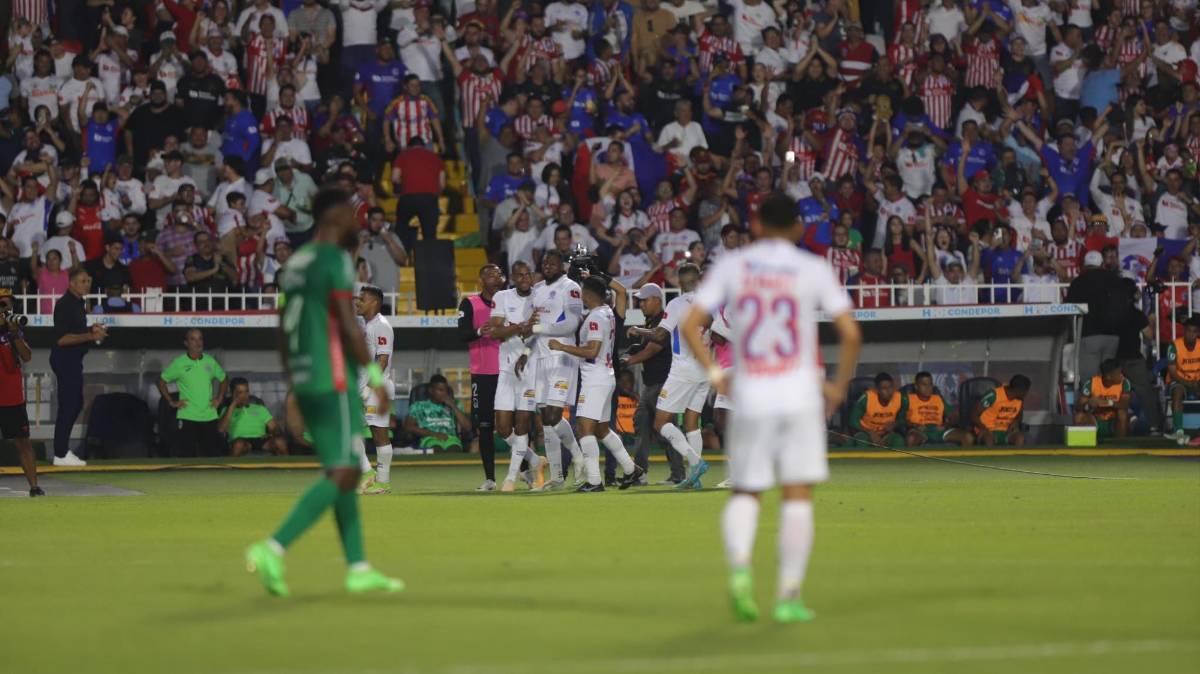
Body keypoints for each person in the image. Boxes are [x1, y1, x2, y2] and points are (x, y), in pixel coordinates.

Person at [677, 191, 861, 623]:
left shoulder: (732, 266)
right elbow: (850, 333)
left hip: (754, 388)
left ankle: (741, 569)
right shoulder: (811, 267)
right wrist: (837, 387)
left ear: (755, 226)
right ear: (798, 228)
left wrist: (717, 374)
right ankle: (789, 595)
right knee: (797, 496)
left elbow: (690, 324)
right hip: (797, 389)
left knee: (747, 492)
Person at [246, 186, 404, 598]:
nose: (357, 221)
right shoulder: (333, 260)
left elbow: (284, 327)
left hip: (305, 375)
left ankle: (358, 567)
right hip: (331, 375)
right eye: (352, 214)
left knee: (345, 469)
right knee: (344, 472)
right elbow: (348, 325)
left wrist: (293, 386)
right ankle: (272, 547)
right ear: (332, 217)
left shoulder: (296, 263)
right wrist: (373, 374)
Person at [547, 276, 644, 492]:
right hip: (606, 376)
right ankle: (631, 469)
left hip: (595, 379)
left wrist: (562, 347)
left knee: (584, 428)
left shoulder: (595, 318)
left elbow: (592, 350)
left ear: (589, 295)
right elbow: (619, 291)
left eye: (583, 291)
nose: (581, 295)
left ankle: (594, 480)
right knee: (601, 429)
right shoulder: (607, 312)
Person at [628, 263, 710, 489]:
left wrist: (639, 330)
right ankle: (695, 479)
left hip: (683, 370)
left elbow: (660, 334)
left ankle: (696, 462)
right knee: (692, 423)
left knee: (660, 422)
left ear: (679, 282)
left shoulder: (677, 303)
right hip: (705, 368)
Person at [514, 250, 584, 489]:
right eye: (544, 263)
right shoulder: (538, 289)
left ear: (562, 266)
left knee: (554, 416)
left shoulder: (570, 287)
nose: (548, 266)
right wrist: (525, 353)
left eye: (552, 263)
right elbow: (534, 328)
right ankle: (557, 477)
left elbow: (572, 323)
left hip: (562, 355)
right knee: (546, 420)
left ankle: (578, 456)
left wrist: (538, 329)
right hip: (540, 359)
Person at [486, 260, 546, 492]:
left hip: (530, 370)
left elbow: (540, 330)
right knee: (502, 427)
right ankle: (534, 460)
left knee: (522, 424)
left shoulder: (540, 298)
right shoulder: (502, 297)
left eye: (527, 275)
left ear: (532, 277)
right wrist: (521, 326)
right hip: (506, 369)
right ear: (512, 277)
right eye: (519, 275)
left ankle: (511, 477)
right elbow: (495, 332)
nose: (524, 279)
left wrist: (524, 328)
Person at [622, 283, 683, 484]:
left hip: (663, 383)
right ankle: (640, 473)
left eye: (645, 300)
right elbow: (644, 346)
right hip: (652, 384)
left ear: (657, 299)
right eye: (640, 300)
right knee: (642, 425)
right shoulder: (651, 322)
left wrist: (629, 361)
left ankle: (678, 475)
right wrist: (632, 350)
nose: (641, 304)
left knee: (665, 428)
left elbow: (652, 350)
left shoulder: (664, 321)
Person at [50, 267, 108, 466]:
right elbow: (62, 339)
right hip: (65, 359)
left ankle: (62, 451)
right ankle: (59, 454)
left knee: (75, 404)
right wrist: (90, 335)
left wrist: (91, 330)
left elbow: (76, 331)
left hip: (73, 360)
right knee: (69, 406)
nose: (87, 284)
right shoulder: (65, 304)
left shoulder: (78, 303)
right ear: (72, 283)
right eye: (82, 281)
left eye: (88, 281)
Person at [457, 264, 503, 490]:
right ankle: (490, 479)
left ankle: (526, 470)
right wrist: (479, 332)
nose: (496, 278)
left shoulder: (509, 301)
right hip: (483, 373)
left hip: (508, 372)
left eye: (498, 274)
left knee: (516, 424)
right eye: (490, 275)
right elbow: (461, 333)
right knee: (484, 426)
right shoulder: (470, 303)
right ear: (481, 280)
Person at [157, 329, 229, 457]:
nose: (198, 342)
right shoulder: (179, 363)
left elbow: (224, 379)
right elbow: (161, 381)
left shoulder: (210, 361)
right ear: (186, 343)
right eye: (193, 339)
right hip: (187, 416)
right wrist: (171, 401)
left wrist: (219, 398)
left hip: (209, 415)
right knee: (186, 456)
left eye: (200, 338)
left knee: (211, 456)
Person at [355, 285, 396, 495]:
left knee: (379, 434)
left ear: (375, 303)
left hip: (376, 388)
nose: (357, 302)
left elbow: (382, 360)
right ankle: (368, 473)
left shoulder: (381, 326)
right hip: (364, 387)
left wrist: (369, 388)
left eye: (362, 299)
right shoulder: (366, 325)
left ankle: (383, 482)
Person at [0, 291, 40, 495]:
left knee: (23, 442)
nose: (5, 310)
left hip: (11, 397)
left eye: (8, 305)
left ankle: (34, 487)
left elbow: (26, 356)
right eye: (1, 305)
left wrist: (13, 333)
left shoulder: (14, 331)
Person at [1065, 250, 1127, 381]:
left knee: (1090, 381)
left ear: (1085, 266)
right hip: (1113, 336)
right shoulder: (1115, 280)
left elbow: (1069, 308)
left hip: (1089, 335)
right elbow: (1123, 304)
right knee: (1109, 378)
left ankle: (1092, 401)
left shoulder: (1078, 282)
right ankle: (1109, 401)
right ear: (1102, 264)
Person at [219, 377, 289, 456]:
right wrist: (233, 405)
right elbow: (221, 429)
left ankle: (289, 467)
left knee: (280, 442)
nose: (244, 395)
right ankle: (231, 468)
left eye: (246, 391)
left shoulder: (259, 408)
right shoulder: (227, 410)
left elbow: (274, 427)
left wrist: (273, 434)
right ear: (233, 393)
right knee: (239, 445)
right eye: (240, 392)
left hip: (261, 440)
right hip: (241, 440)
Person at [404, 374, 472, 452]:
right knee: (436, 449)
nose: (444, 393)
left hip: (451, 438)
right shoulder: (418, 406)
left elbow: (467, 427)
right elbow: (408, 426)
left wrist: (453, 406)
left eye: (446, 390)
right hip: (429, 438)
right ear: (431, 390)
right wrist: (434, 434)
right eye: (440, 390)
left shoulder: (456, 404)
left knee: (454, 450)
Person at [905, 372, 972, 447]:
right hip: (921, 431)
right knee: (911, 438)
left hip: (939, 430)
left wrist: (946, 425)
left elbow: (953, 416)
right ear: (916, 386)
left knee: (967, 437)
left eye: (930, 384)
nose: (928, 388)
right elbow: (902, 420)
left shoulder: (938, 399)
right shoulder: (908, 399)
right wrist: (915, 425)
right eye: (924, 385)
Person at [1074, 359, 1131, 441]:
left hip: (1113, 422)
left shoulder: (1125, 383)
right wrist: (1089, 404)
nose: (1122, 375)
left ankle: (1120, 443)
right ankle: (1086, 443)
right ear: (1109, 376)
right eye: (1118, 373)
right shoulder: (1091, 383)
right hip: (1095, 421)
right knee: (1079, 417)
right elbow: (1078, 406)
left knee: (1122, 413)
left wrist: (1107, 402)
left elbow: (1124, 404)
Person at [1165, 317, 1200, 444]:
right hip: (1179, 380)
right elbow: (1173, 373)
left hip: (1196, 380)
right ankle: (1178, 431)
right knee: (1177, 392)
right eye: (1188, 331)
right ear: (1184, 331)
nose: (1191, 334)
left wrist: (1196, 384)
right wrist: (1189, 383)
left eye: (1194, 331)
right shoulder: (1174, 346)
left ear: (1198, 333)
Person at [849, 372, 907, 447]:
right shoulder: (866, 398)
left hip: (886, 434)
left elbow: (903, 418)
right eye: (884, 388)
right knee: (862, 440)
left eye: (890, 387)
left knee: (899, 441)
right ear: (877, 390)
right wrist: (870, 432)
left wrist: (895, 424)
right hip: (866, 432)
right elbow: (852, 421)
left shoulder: (900, 398)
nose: (889, 391)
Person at [971, 375, 1031, 447]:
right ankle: (990, 458)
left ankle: (1016, 458)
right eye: (1026, 391)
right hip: (987, 430)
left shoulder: (1019, 400)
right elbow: (973, 414)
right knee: (988, 439)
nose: (1027, 393)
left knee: (1020, 437)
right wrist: (984, 428)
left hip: (1006, 432)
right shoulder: (993, 395)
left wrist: (1016, 421)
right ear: (1020, 390)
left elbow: (1019, 414)